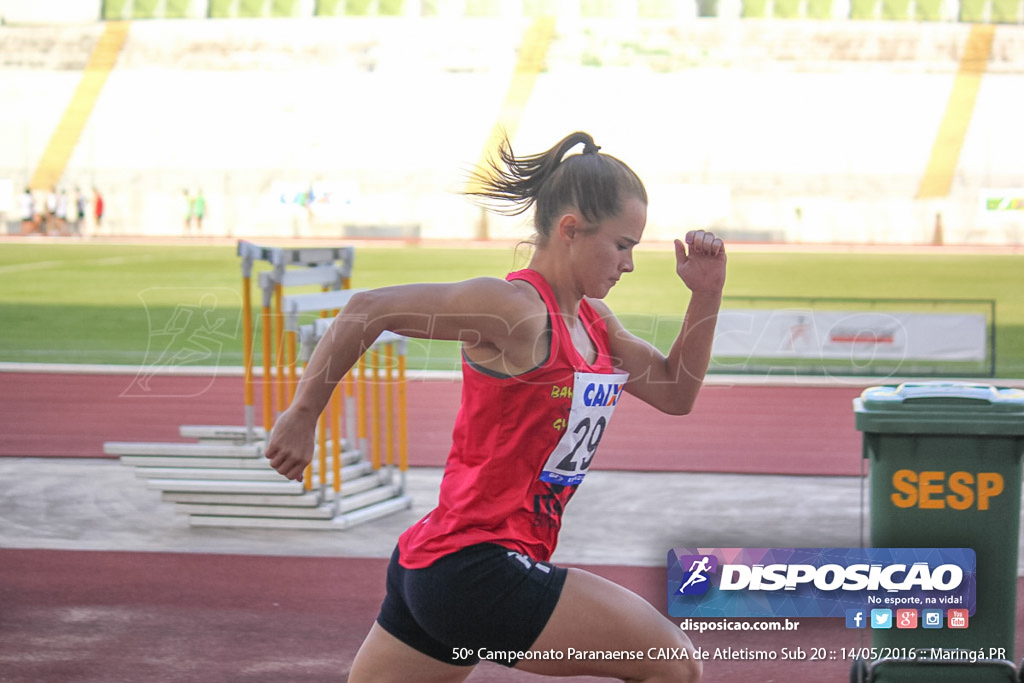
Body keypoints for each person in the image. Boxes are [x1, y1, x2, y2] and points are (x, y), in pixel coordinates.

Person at [265, 131, 726, 683]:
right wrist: (303, 413)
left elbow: (677, 393)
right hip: (477, 569)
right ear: (570, 229)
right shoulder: (514, 310)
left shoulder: (597, 326)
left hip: (437, 569)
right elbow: (369, 308)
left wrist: (706, 293)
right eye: (622, 245)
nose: (628, 265)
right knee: (673, 663)